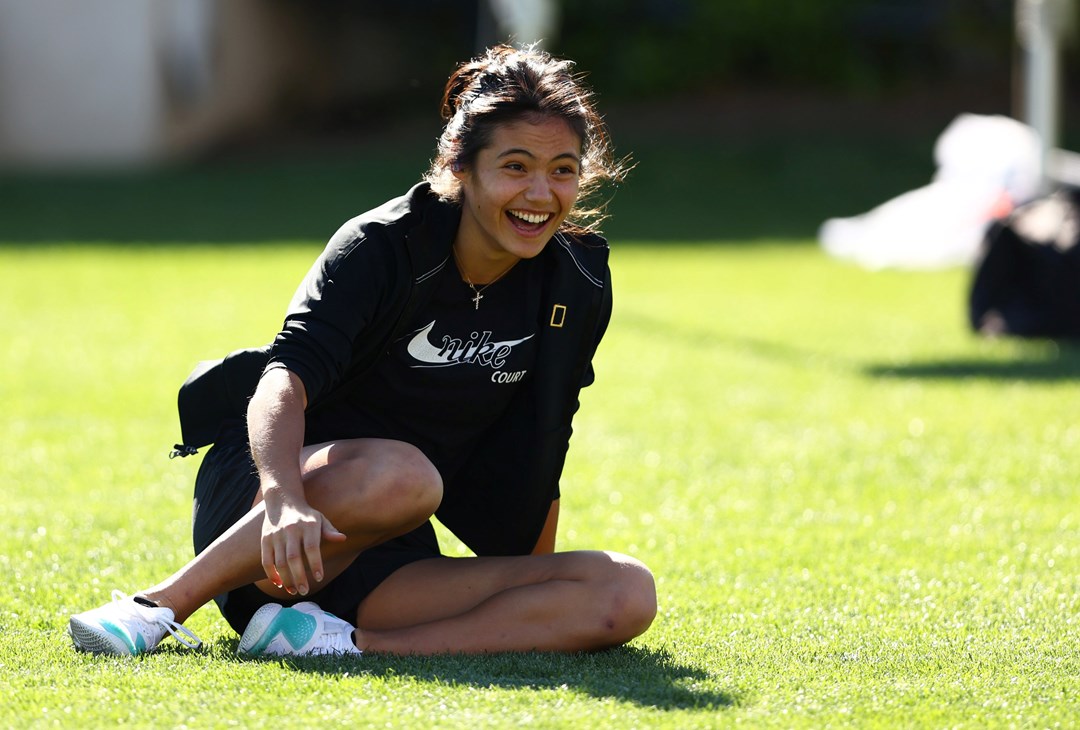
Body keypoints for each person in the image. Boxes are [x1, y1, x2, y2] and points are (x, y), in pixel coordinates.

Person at [68, 44, 656, 658]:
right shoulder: (380, 245)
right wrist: (284, 498)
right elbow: (282, 379)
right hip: (271, 525)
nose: (540, 193)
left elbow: (544, 437)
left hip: (390, 550)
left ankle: (336, 643)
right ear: (462, 167)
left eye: (562, 169)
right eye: (515, 166)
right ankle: (153, 608)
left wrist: (538, 583)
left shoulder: (576, 282)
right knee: (401, 477)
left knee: (623, 589)